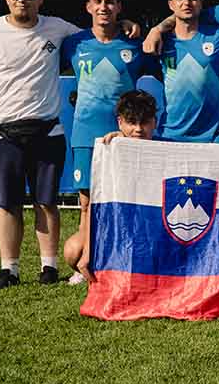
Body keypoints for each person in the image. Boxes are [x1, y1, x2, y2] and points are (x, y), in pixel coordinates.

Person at [0, 0, 87, 288]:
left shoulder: (58, 28)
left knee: (46, 202)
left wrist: (128, 27)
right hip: (3, 132)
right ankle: (10, 269)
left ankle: (49, 267)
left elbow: (95, 39)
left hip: (47, 130)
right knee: (8, 203)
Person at [62, 0, 158, 249]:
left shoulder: (134, 43)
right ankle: (88, 260)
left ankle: (125, 253)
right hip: (85, 135)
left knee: (127, 198)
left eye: (109, 2)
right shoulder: (73, 43)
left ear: (119, 7)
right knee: (87, 201)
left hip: (126, 136)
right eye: (98, 2)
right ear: (88, 7)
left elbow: (166, 70)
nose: (103, 7)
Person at [63, 89, 160, 285]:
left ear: (155, 122)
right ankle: (94, 264)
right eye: (132, 123)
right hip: (121, 231)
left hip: (153, 233)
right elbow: (96, 208)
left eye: (144, 122)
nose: (139, 129)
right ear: (120, 122)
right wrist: (88, 255)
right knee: (72, 251)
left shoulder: (167, 149)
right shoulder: (111, 149)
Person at [142, 0, 219, 142]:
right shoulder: (161, 41)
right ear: (171, 5)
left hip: (212, 137)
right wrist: (156, 30)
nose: (187, 3)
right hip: (170, 135)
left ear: (200, 3)